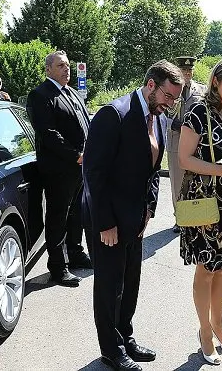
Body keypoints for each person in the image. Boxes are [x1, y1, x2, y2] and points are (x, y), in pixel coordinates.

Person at [82, 60, 184, 371]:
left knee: (130, 282)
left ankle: (125, 337)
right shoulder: (114, 114)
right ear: (151, 85)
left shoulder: (158, 118)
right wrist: (105, 223)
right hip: (109, 220)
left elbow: (152, 171)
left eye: (175, 99)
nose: (170, 104)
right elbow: (93, 173)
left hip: (136, 217)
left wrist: (150, 208)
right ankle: (110, 350)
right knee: (109, 286)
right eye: (168, 96)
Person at [178, 57, 222, 366]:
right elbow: (183, 160)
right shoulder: (197, 113)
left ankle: (219, 326)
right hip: (205, 202)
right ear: (216, 82)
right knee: (206, 269)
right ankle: (205, 332)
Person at [26, 50, 92, 287]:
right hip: (59, 169)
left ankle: (75, 253)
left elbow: (85, 123)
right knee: (58, 218)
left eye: (68, 65)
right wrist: (75, 155)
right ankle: (58, 267)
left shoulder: (72, 93)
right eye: (61, 65)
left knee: (77, 214)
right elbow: (48, 133)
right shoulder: (40, 95)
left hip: (80, 167)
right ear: (48, 70)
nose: (67, 69)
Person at [166, 56, 206, 234]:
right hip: (176, 140)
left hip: (195, 143)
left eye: (190, 70)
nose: (187, 73)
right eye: (184, 71)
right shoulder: (170, 89)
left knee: (196, 182)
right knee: (177, 182)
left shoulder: (201, 90)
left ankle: (194, 217)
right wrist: (171, 123)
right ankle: (180, 219)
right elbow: (161, 112)